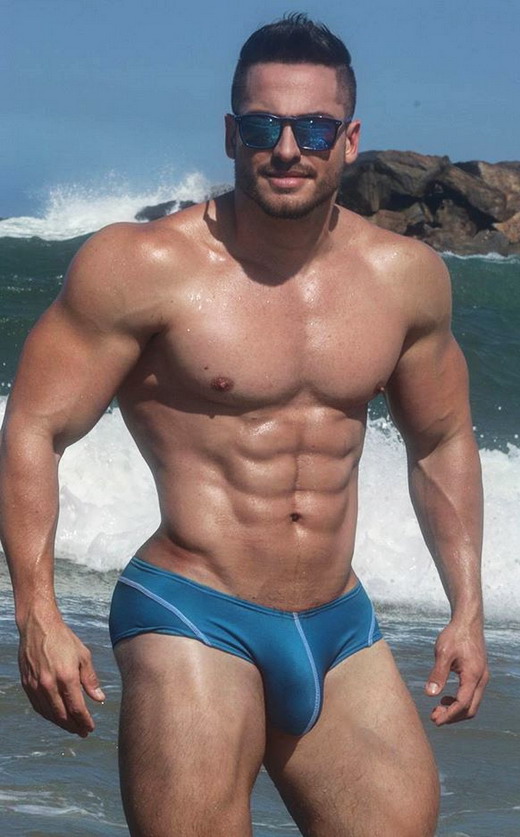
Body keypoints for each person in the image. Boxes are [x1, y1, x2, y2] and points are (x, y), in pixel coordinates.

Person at [0, 13, 488, 837]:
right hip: (193, 612)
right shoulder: (142, 266)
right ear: (232, 136)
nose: (288, 148)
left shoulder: (406, 277)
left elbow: (441, 440)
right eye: (264, 126)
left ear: (350, 140)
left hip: (339, 625)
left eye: (314, 127)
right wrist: (37, 614)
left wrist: (468, 608)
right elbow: (32, 428)